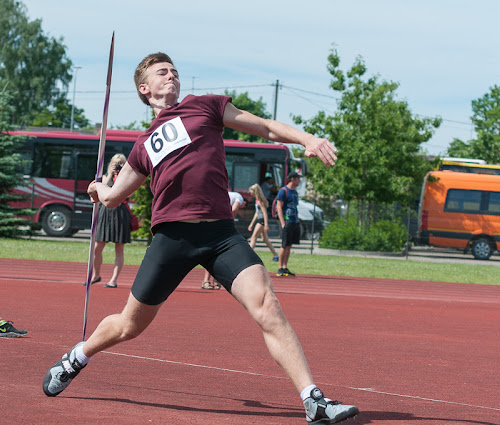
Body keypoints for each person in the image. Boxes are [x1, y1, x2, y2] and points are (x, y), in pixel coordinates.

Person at [43, 52, 358, 424]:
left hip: (221, 234)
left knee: (268, 306)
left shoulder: (205, 106)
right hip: (172, 236)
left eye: (175, 71)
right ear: (145, 89)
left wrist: (307, 138)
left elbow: (266, 128)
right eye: (163, 72)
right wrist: (99, 187)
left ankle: (313, 401)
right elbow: (112, 199)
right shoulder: (142, 146)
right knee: (130, 326)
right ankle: (77, 357)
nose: (172, 75)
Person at [83, 154, 132, 288]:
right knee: (97, 247)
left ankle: (113, 280)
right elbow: (102, 190)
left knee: (119, 248)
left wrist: (121, 176)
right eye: (115, 163)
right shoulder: (105, 177)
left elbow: (128, 194)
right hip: (106, 213)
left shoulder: (127, 179)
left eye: (120, 163)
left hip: (121, 212)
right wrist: (111, 174)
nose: (117, 166)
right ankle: (96, 275)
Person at [201, 190, 243, 290]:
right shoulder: (238, 197)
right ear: (244, 203)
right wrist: (230, 224)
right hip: (218, 225)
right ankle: (207, 280)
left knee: (217, 253)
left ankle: (212, 280)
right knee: (214, 253)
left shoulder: (217, 194)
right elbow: (234, 209)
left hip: (214, 223)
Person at [275, 171, 302, 277]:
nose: (299, 181)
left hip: (294, 221)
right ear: (292, 179)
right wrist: (282, 222)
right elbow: (279, 207)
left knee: (289, 245)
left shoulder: (294, 192)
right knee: (284, 245)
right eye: (298, 178)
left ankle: (285, 267)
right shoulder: (283, 191)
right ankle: (280, 267)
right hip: (287, 221)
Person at [247, 183, 278, 261]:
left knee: (253, 237)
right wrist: (251, 224)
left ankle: (248, 255)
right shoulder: (257, 201)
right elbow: (257, 213)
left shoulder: (260, 201)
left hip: (261, 222)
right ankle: (276, 255)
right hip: (260, 220)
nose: (250, 194)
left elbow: (264, 213)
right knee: (265, 240)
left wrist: (266, 225)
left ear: (255, 192)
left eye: (251, 192)